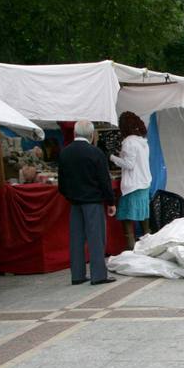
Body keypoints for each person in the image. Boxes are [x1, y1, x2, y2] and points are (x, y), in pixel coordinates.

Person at [57, 120, 116, 285]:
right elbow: (104, 180)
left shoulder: (65, 153)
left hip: (75, 202)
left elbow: (61, 183)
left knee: (76, 239)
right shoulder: (95, 153)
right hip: (93, 201)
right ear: (91, 135)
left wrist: (70, 196)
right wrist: (111, 201)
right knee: (96, 238)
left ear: (75, 133)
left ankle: (77, 275)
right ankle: (98, 275)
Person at [111, 111, 152, 249]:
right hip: (144, 184)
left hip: (132, 186)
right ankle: (148, 249)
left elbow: (129, 164)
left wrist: (111, 157)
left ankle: (131, 254)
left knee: (127, 222)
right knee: (144, 223)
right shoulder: (143, 142)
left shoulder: (128, 142)